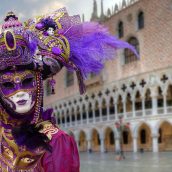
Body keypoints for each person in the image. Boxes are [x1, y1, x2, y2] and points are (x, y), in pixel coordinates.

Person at [0, 8, 138, 172]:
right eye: (8, 85)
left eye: (27, 81)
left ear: (38, 82)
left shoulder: (55, 141)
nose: (20, 91)